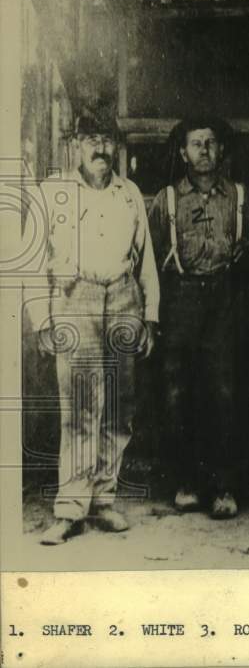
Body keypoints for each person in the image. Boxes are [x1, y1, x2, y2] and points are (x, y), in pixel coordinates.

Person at [34, 111, 159, 545]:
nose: (100, 148)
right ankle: (70, 508)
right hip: (76, 298)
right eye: (90, 139)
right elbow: (32, 260)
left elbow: (146, 261)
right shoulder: (53, 192)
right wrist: (41, 319)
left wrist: (150, 317)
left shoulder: (129, 194)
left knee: (120, 404)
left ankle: (104, 499)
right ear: (75, 146)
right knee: (81, 406)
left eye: (106, 139)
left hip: (124, 297)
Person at [147, 117, 249, 520]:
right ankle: (186, 482)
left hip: (224, 301)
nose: (204, 150)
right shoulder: (168, 199)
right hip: (180, 300)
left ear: (221, 150)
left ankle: (223, 487)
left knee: (223, 394)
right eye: (196, 143)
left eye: (211, 143)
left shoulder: (239, 197)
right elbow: (152, 259)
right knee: (178, 395)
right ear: (183, 152)